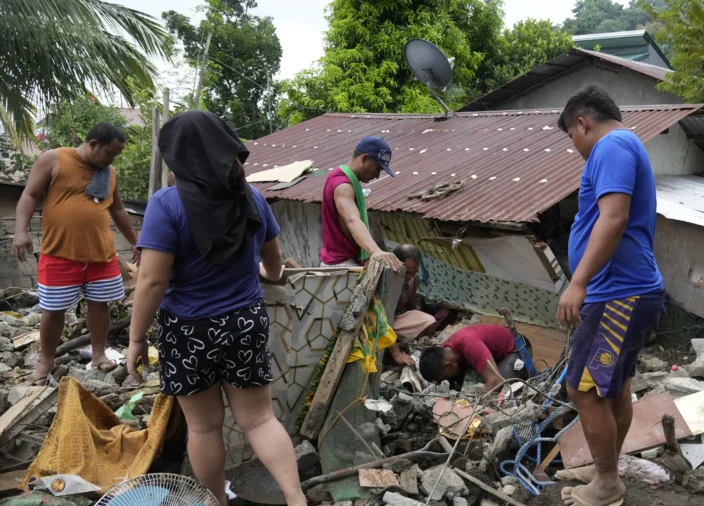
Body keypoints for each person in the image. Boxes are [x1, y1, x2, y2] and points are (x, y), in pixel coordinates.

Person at [125, 111, 306, 506]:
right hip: (245, 321)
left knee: (204, 428)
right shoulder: (252, 196)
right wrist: (268, 273)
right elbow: (274, 261)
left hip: (189, 330)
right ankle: (295, 498)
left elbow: (152, 281)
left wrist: (136, 338)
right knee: (259, 419)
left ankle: (217, 503)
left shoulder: (166, 205)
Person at [555, 86, 666, 506]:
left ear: (583, 122)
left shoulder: (612, 145)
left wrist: (578, 282)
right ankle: (607, 471)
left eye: (572, 137)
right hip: (629, 291)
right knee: (613, 388)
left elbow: (614, 216)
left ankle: (606, 485)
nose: (576, 147)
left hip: (617, 293)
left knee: (583, 390)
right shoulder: (626, 145)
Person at [12, 122, 139, 384]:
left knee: (100, 306)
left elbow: (118, 210)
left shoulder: (109, 172)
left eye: (115, 156)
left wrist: (136, 242)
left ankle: (99, 354)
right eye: (109, 154)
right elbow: (29, 194)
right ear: (93, 144)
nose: (111, 160)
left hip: (101, 255)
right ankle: (46, 361)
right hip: (59, 253)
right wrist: (20, 231)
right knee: (52, 310)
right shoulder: (54, 159)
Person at [320, 136, 413, 366]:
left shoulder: (343, 181)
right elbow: (352, 220)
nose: (377, 175)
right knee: (365, 324)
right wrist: (375, 251)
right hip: (342, 269)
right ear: (364, 159)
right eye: (377, 168)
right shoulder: (342, 185)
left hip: (340, 264)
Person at [419, 324, 529, 391]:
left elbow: (495, 380)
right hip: (491, 351)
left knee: (499, 388)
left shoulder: (469, 344)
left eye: (444, 378)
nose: (444, 381)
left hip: (517, 347)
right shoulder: (443, 352)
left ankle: (523, 373)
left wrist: (478, 409)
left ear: (449, 365)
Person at [391, 244, 437, 343]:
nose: (410, 276)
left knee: (430, 323)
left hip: (398, 319)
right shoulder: (385, 280)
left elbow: (411, 307)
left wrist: (416, 322)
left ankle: (401, 340)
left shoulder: (413, 281)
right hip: (380, 320)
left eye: (414, 273)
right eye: (407, 272)